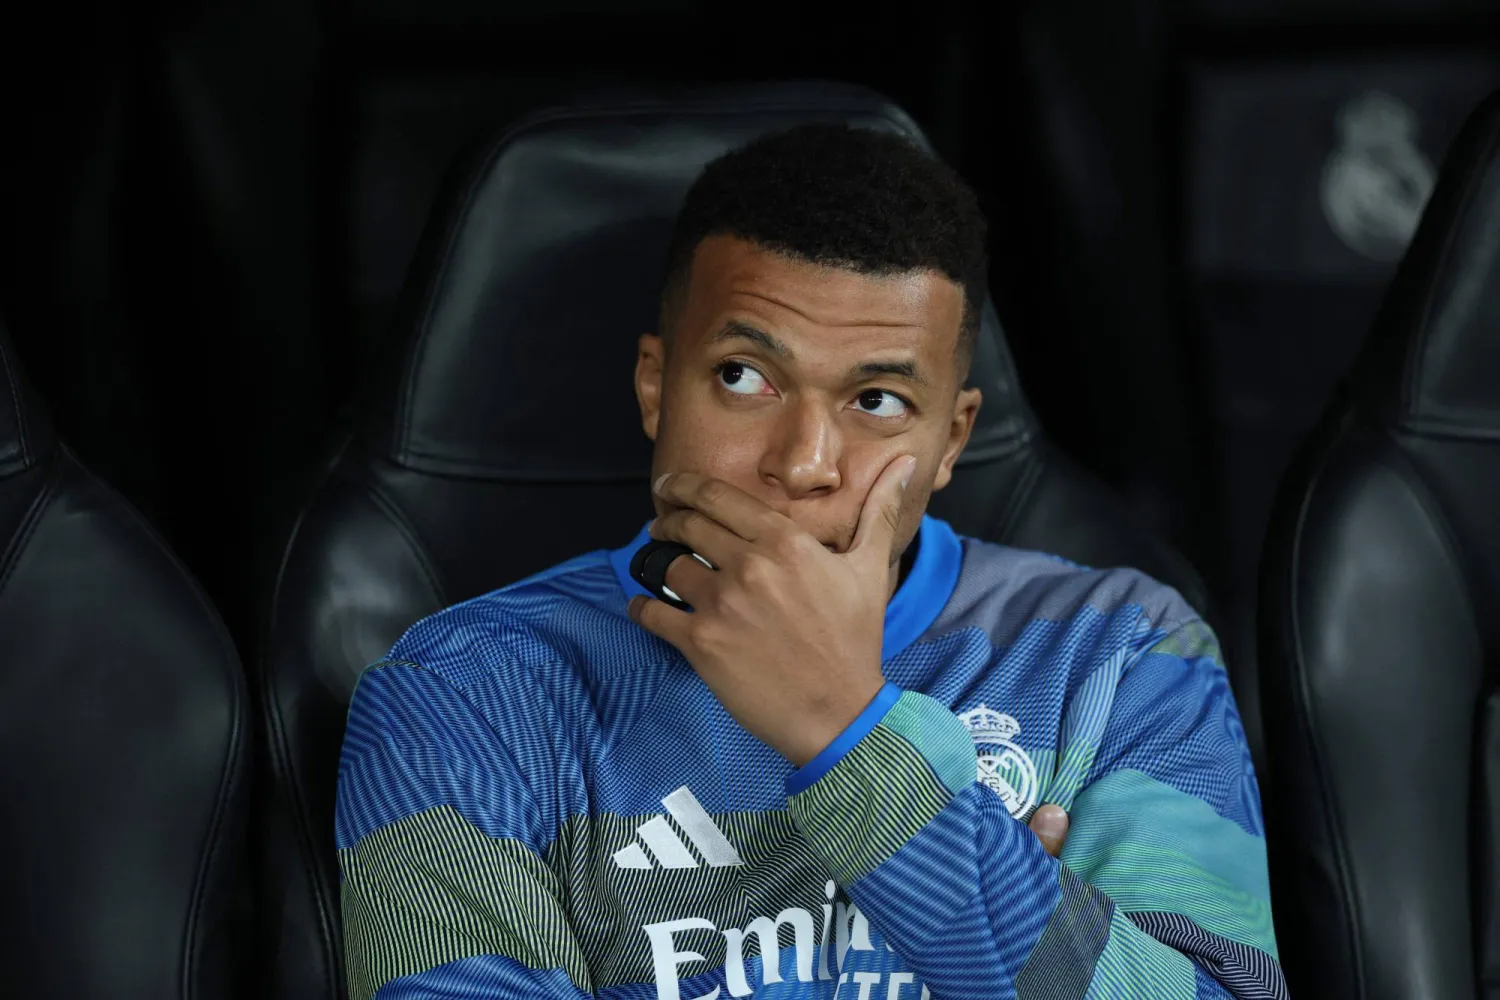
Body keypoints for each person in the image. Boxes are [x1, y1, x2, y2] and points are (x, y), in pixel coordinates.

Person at [335, 123, 1284, 1000]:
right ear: (656, 387)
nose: (801, 465)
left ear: (952, 441)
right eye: (743, 378)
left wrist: (845, 728)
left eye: (876, 400)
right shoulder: (461, 691)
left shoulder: (1123, 652)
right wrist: (1008, 913)